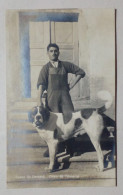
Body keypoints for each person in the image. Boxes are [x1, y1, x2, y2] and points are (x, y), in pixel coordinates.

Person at [37, 43, 85, 157]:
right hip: (51, 99)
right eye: (51, 51)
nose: (54, 53)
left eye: (55, 51)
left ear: (58, 52)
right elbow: (41, 85)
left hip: (65, 99)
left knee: (70, 120)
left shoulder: (65, 65)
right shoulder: (45, 68)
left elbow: (81, 72)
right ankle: (51, 148)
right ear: (47, 53)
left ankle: (71, 147)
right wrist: (39, 100)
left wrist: (71, 85)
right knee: (52, 123)